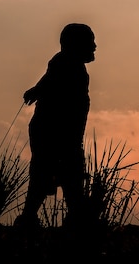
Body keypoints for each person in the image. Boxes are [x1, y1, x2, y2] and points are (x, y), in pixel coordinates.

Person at [14, 23, 97, 229]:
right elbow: (50, 82)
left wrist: (36, 90)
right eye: (89, 42)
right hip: (55, 132)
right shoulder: (64, 64)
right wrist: (37, 91)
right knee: (55, 173)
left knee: (64, 175)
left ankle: (67, 218)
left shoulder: (69, 65)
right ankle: (34, 218)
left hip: (63, 132)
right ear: (75, 45)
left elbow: (47, 82)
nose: (95, 46)